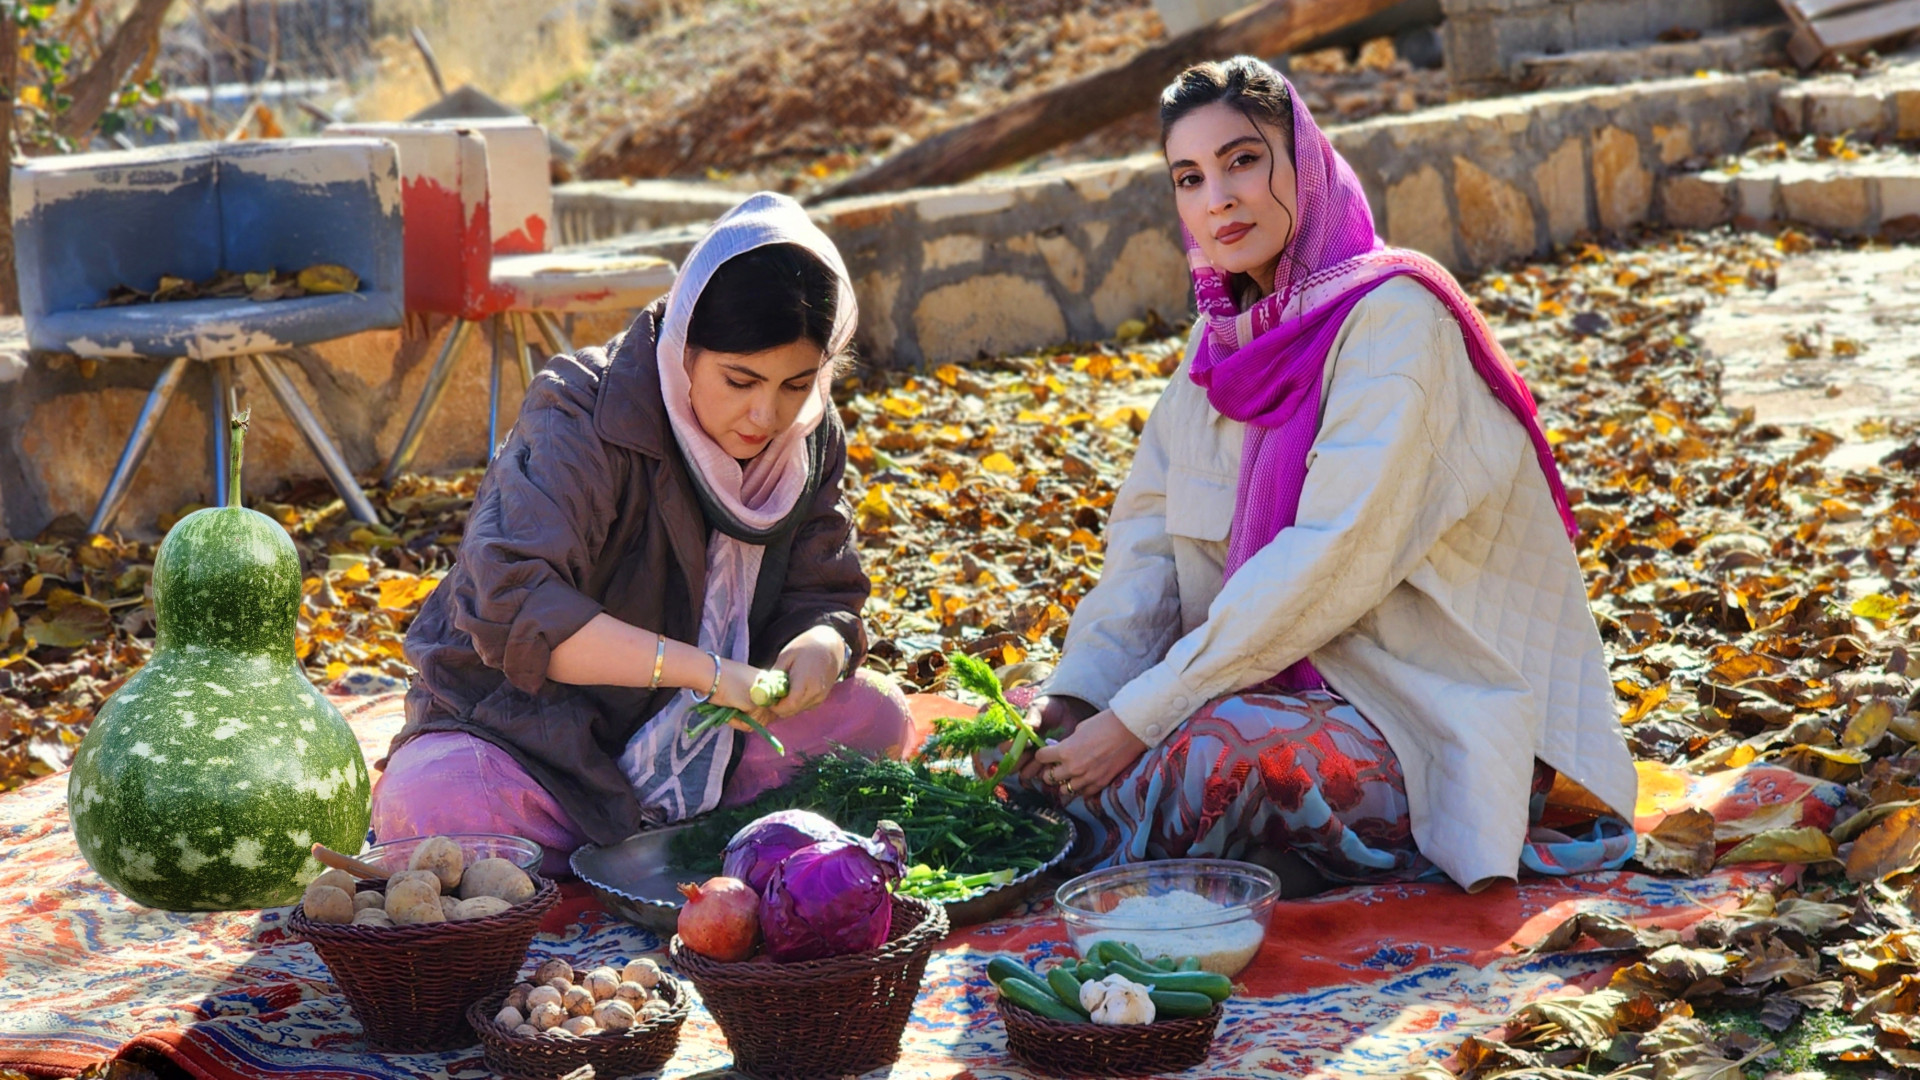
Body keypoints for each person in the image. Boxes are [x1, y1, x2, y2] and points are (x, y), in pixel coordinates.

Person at [1008, 58, 1637, 893]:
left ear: (1302, 161)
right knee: (1013, 735)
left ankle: (1068, 854)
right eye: (1189, 177)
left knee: (1215, 759)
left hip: (1419, 711)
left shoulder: (1395, 324)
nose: (1218, 198)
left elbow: (1325, 562)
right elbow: (1148, 552)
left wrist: (1137, 720)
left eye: (1243, 160)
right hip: (1246, 681)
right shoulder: (1217, 349)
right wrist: (1083, 700)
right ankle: (1092, 832)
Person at [372, 193, 915, 875]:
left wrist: (819, 647)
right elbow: (516, 603)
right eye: (740, 379)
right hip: (542, 733)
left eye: (796, 383)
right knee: (428, 806)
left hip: (722, 724)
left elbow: (823, 591)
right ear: (685, 341)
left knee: (877, 719)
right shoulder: (581, 408)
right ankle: (677, 831)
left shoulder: (807, 432)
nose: (765, 414)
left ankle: (653, 838)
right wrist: (710, 675)